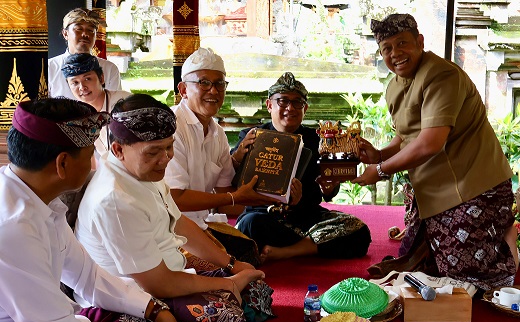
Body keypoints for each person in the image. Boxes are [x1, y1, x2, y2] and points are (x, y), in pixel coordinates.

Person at [74, 94, 274, 322]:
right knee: (222, 319)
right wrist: (228, 283)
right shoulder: (115, 199)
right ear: (118, 150)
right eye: (154, 151)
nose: (166, 158)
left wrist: (232, 265)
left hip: (167, 269)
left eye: (169, 146)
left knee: (255, 288)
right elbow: (158, 283)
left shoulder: (145, 170)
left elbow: (179, 223)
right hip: (133, 294)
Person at [0, 98, 188, 322]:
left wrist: (155, 310)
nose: (95, 163)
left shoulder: (41, 203)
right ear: (62, 163)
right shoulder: (13, 228)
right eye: (90, 155)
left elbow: (89, 276)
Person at [352, 13, 518, 291]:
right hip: (434, 191)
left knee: (462, 281)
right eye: (387, 48)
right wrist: (380, 154)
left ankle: (506, 241)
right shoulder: (394, 86)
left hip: (476, 186)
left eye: (402, 43)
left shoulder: (442, 75)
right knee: (421, 270)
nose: (396, 54)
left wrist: (381, 171)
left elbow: (430, 142)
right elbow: (405, 137)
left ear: (419, 42)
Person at [231, 72, 372, 262]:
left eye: (297, 103)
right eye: (282, 101)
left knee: (358, 230)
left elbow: (328, 190)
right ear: (269, 105)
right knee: (251, 224)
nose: (290, 108)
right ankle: (307, 247)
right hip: (264, 218)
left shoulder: (318, 141)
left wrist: (319, 191)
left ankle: (285, 252)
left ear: (305, 108)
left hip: (305, 218)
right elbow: (232, 179)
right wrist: (240, 153)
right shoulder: (251, 136)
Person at [164, 47, 281, 266]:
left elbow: (228, 199)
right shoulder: (171, 126)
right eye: (204, 83)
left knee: (248, 250)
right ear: (183, 90)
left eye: (219, 84)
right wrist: (235, 198)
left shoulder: (217, 132)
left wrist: (271, 195)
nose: (213, 91)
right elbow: (176, 199)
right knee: (231, 271)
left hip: (200, 226)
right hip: (170, 232)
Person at [61, 52, 131, 158]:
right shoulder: (77, 116)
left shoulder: (125, 102)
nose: (82, 87)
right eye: (75, 83)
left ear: (101, 78)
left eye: (87, 79)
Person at [49, 8, 121, 100]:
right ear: (65, 34)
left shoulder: (109, 69)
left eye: (90, 30)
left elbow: (114, 106)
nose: (85, 34)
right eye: (78, 29)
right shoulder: (49, 68)